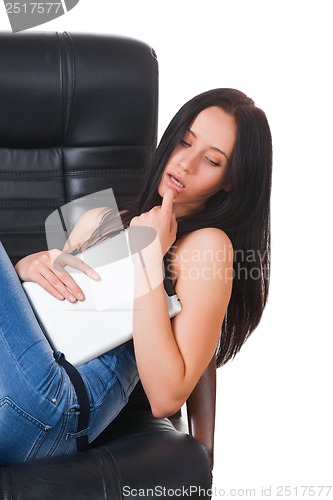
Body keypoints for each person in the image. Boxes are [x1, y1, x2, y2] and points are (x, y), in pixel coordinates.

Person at [0, 88, 272, 465]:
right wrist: (23, 271)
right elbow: (47, 315)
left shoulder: (208, 244)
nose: (186, 164)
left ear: (232, 181)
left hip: (55, 404)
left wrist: (147, 254)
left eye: (211, 160)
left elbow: (167, 394)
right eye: (184, 142)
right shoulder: (100, 218)